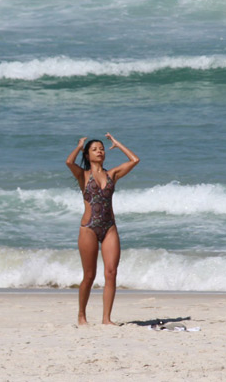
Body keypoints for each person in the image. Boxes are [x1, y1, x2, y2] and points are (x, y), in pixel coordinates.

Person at [65, 133, 139, 325]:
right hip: (88, 228)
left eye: (102, 148)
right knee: (89, 275)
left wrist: (118, 143)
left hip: (109, 228)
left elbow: (135, 160)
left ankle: (106, 319)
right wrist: (79, 146)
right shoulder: (83, 175)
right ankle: (82, 315)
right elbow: (68, 162)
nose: (99, 151)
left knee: (111, 272)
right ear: (88, 155)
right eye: (95, 149)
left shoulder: (112, 174)